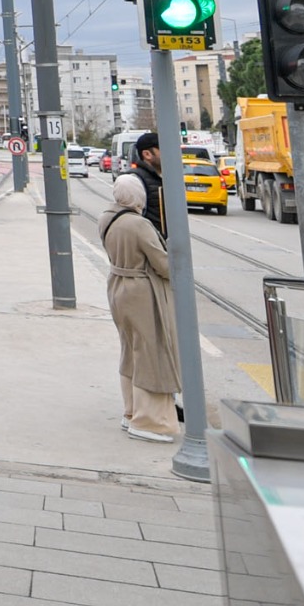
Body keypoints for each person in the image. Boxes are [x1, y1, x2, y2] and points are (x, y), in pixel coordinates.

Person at [100, 174, 180, 442]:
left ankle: (130, 411)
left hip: (117, 287)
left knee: (131, 351)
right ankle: (150, 421)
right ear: (140, 198)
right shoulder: (139, 225)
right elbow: (165, 266)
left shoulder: (106, 218)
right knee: (152, 353)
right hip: (142, 294)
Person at [130, 132, 166, 234]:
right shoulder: (135, 180)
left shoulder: (166, 178)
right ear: (147, 154)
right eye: (163, 149)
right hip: (149, 244)